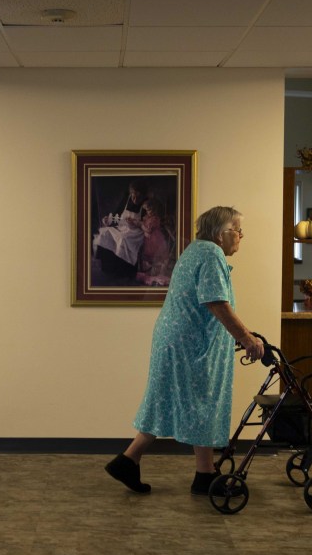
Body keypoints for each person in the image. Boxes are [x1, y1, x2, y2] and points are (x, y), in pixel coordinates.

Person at [105, 205, 265, 495]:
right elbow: (216, 302)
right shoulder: (211, 253)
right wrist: (247, 338)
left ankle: (129, 460)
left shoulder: (195, 250)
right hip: (193, 343)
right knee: (203, 398)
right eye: (237, 230)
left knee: (166, 398)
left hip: (175, 338)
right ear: (220, 234)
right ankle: (204, 475)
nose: (241, 235)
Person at [93, 180, 148, 278]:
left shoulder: (146, 204)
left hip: (136, 232)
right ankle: (108, 268)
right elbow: (117, 214)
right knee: (105, 233)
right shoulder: (127, 198)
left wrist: (136, 223)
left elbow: (146, 224)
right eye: (133, 196)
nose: (135, 199)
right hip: (123, 227)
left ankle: (123, 272)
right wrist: (109, 219)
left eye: (138, 197)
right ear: (131, 193)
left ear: (143, 196)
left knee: (122, 239)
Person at [134, 198, 173, 286]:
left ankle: (155, 274)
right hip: (148, 239)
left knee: (155, 257)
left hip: (155, 240)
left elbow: (148, 230)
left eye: (149, 210)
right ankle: (149, 272)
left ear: (155, 209)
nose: (148, 212)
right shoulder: (147, 217)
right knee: (146, 257)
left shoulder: (155, 219)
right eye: (146, 210)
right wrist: (138, 223)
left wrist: (140, 224)